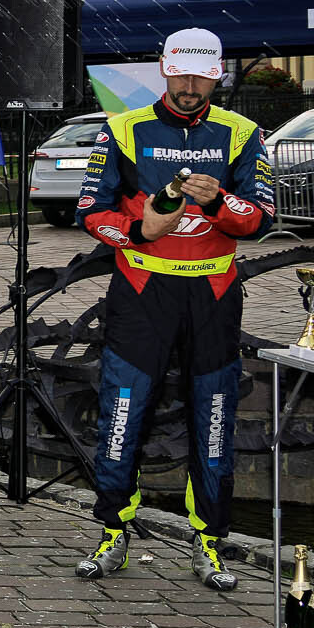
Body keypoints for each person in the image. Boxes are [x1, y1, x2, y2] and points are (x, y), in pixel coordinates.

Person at [74, 29, 272, 591]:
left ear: (217, 76)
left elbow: (260, 218)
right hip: (143, 292)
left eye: (201, 77)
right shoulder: (123, 128)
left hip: (212, 294)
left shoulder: (242, 133)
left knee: (214, 418)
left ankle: (208, 542)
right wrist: (138, 230)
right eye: (181, 74)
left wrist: (220, 201)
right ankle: (113, 533)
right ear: (164, 68)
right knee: (122, 414)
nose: (190, 86)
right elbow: (91, 210)